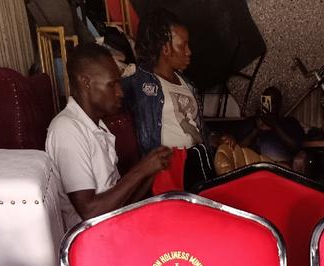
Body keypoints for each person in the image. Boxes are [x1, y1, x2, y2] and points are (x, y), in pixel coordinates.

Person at [46, 43, 172, 229]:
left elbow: (120, 204)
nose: (120, 92)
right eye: (112, 84)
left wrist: (152, 172)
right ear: (86, 82)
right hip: (90, 239)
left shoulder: (97, 126)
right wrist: (142, 170)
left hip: (112, 229)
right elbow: (90, 211)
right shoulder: (67, 129)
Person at [123, 8, 220, 188]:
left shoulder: (187, 83)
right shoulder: (138, 82)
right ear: (165, 48)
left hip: (198, 159)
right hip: (170, 169)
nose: (189, 52)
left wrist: (214, 137)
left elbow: (195, 125)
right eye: (183, 46)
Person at [239, 87, 305, 166]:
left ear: (279, 104)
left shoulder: (289, 122)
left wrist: (275, 126)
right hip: (253, 166)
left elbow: (296, 147)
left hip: (279, 167)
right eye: (266, 101)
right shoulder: (251, 122)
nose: (269, 105)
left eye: (273, 102)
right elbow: (238, 149)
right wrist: (257, 129)